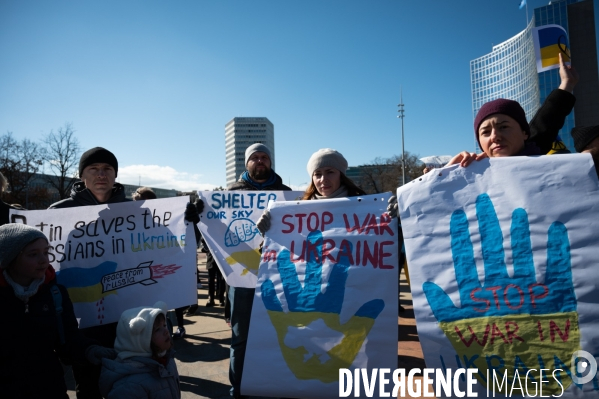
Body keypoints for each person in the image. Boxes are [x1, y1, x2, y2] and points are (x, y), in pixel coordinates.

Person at [47, 147, 199, 398]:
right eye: (93, 169)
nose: (101, 175)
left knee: (137, 382)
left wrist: (188, 222)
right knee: (89, 384)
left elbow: (168, 249)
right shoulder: (59, 213)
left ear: (115, 175)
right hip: (85, 320)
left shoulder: (136, 211)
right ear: (82, 174)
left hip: (131, 319)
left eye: (107, 169)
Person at [0, 223, 115, 399]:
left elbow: (68, 339)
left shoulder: (55, 293)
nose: (44, 260)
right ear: (10, 259)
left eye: (46, 252)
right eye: (33, 254)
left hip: (49, 389)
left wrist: (90, 350)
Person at [218, 142, 291, 399]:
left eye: (264, 157)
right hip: (242, 277)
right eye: (255, 158)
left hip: (278, 273)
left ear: (270, 162)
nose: (260, 161)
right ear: (246, 163)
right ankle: (237, 389)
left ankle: (275, 384)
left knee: (279, 333)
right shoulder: (230, 193)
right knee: (240, 337)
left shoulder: (286, 193)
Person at [99, 302, 180, 399]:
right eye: (158, 329)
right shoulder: (129, 387)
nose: (166, 331)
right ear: (139, 340)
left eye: (164, 325)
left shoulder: (167, 360)